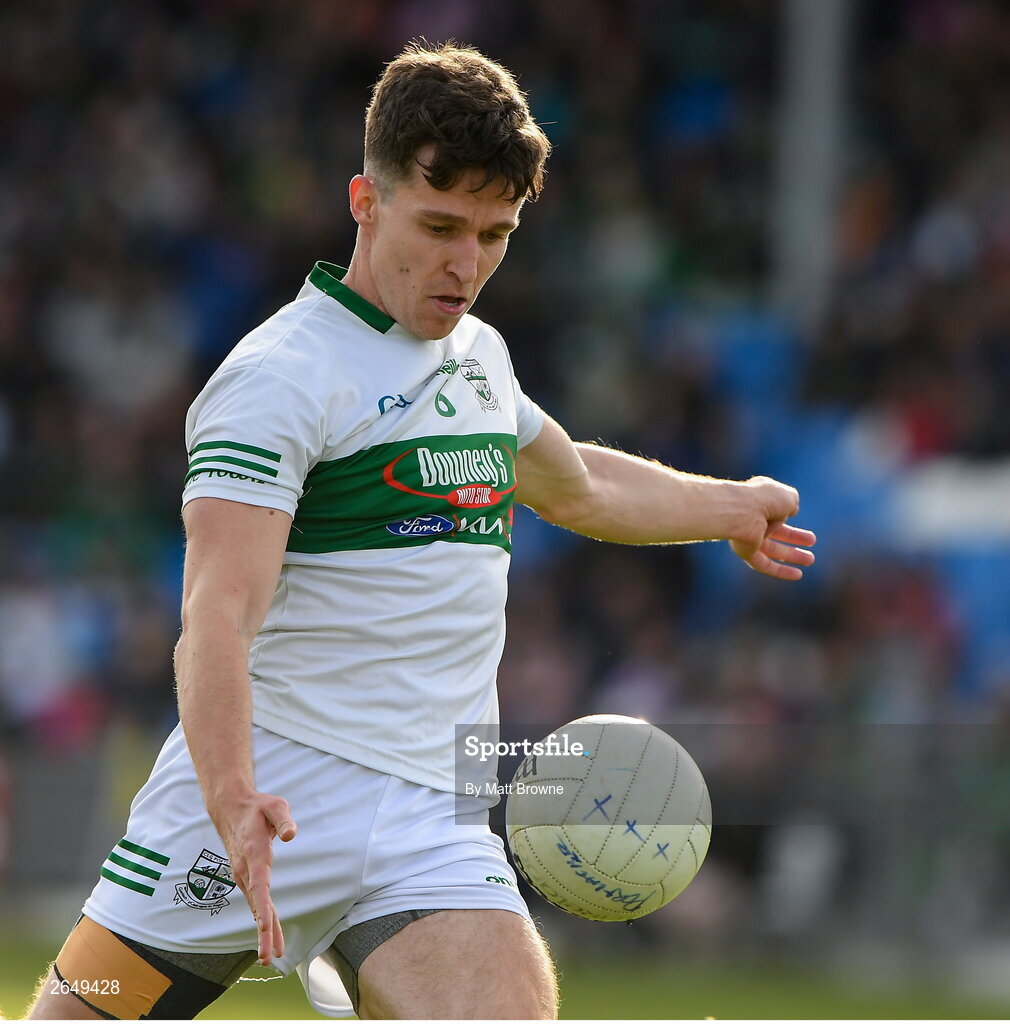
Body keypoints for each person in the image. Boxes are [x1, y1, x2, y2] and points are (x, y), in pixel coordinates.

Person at [28, 40, 815, 1021]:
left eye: (493, 233)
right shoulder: (281, 378)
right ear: (366, 201)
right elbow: (217, 613)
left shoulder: (478, 358)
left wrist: (726, 506)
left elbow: (572, 486)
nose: (465, 264)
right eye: (440, 225)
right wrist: (231, 794)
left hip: (424, 819)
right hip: (245, 802)